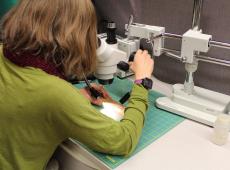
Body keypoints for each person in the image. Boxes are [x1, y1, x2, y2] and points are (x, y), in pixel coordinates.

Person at [0, 0, 154, 169]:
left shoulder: (3, 52)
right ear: (75, 35)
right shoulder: (55, 94)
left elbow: (21, 99)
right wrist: (142, 82)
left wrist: (72, 98)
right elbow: (123, 140)